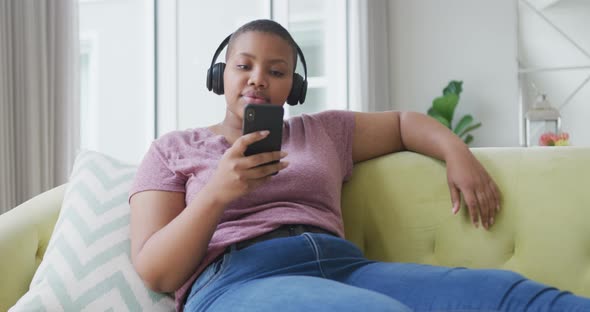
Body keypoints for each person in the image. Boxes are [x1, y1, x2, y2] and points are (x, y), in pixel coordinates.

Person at [128, 19, 590, 312]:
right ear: (219, 76)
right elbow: (157, 271)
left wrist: (457, 154)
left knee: (515, 298)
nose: (258, 79)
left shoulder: (322, 132)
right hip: (237, 281)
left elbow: (405, 123)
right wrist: (217, 194)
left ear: (294, 86)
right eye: (243, 66)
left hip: (342, 265)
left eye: (276, 71)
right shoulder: (173, 149)